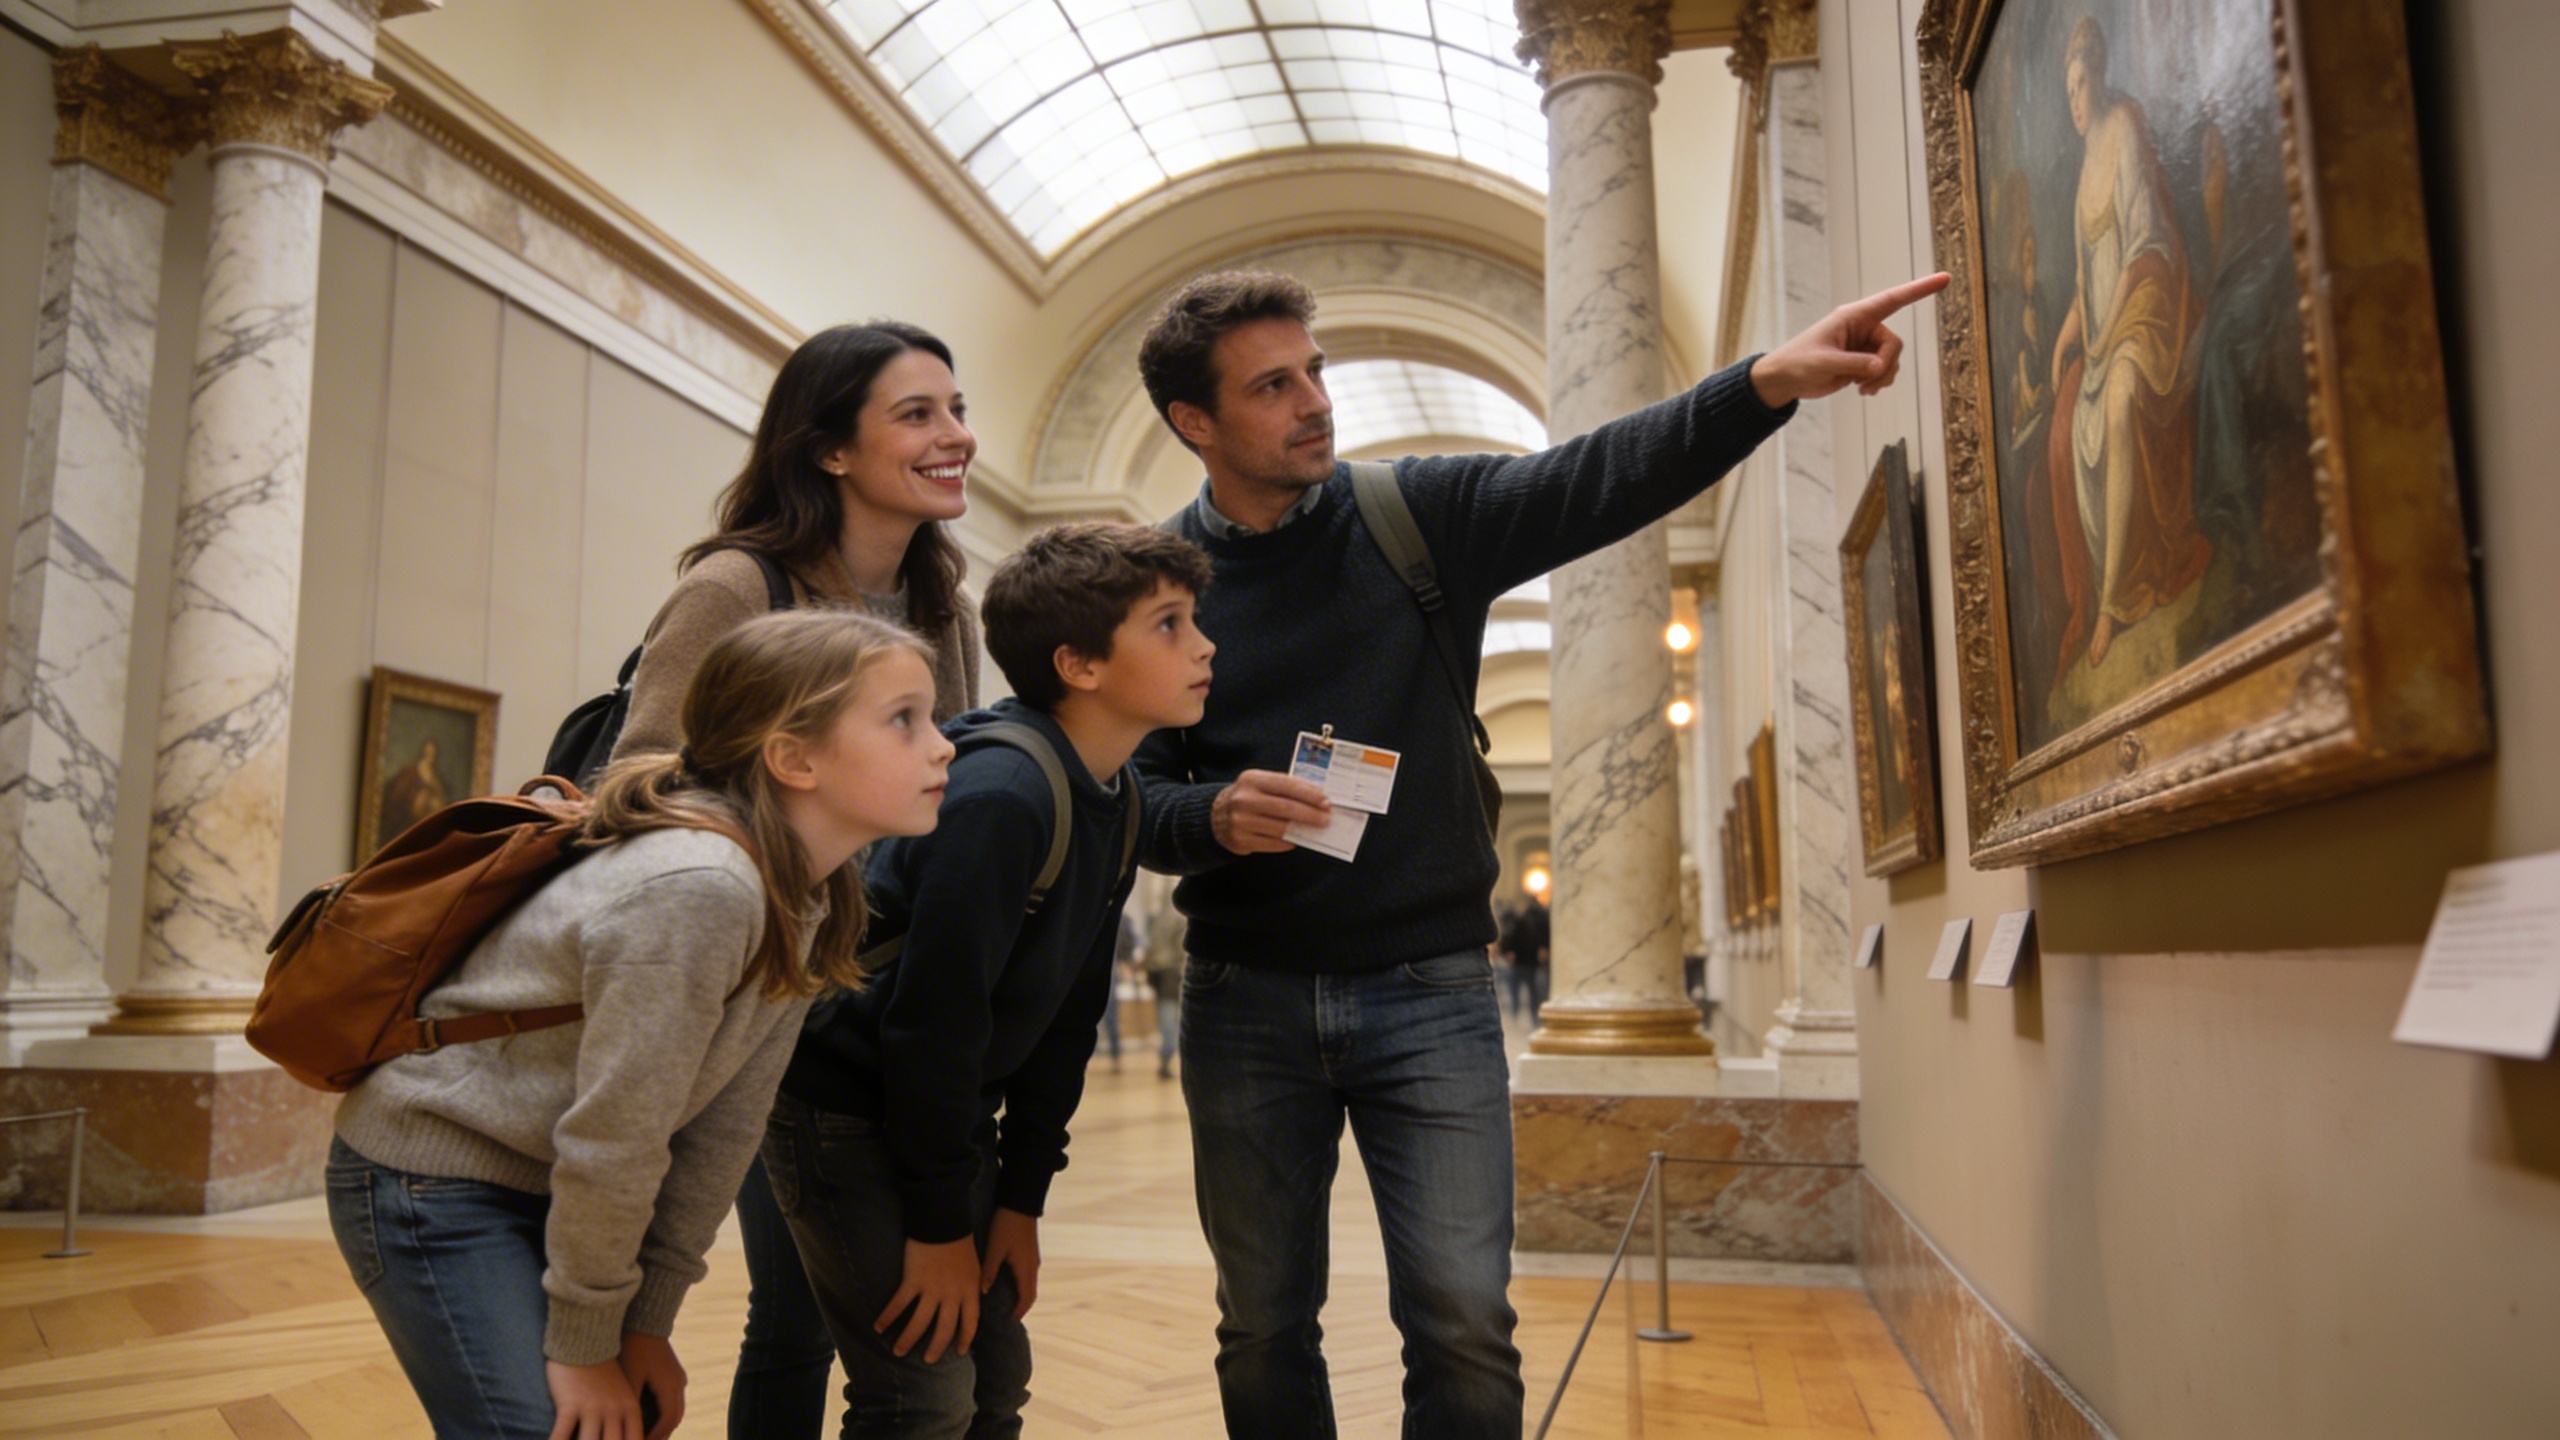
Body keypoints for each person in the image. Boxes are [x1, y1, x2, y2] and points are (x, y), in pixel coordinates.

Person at [1129, 267, 1944, 1437]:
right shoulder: (1159, 586)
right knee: (1261, 1320)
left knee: (1463, 1318)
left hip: (1432, 995)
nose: (1314, 400)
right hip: (1243, 999)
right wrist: (1204, 820)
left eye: (1315, 371)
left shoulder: (1413, 515)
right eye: (1273, 385)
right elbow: (1132, 794)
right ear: (1193, 423)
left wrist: (1768, 381)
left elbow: (1596, 476)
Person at [326, 609, 954, 1440]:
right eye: (904, 720)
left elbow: (724, 1128)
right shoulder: (698, 884)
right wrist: (587, 1343)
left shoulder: (812, 890)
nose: (944, 745)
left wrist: (646, 1320)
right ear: (792, 758)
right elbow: (617, 1137)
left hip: (542, 1180)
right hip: (432, 1180)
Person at [605, 319, 987, 1440]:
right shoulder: (737, 586)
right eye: (918, 415)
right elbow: (633, 782)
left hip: (868, 1002)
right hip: (755, 984)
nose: (955, 436)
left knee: (814, 1307)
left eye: (957, 411)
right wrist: (789, 852)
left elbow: (943, 799)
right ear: (829, 449)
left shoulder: (939, 609)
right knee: (792, 1312)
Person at [763, 522, 1216, 1438]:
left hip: (941, 1115)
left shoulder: (1118, 793)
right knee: (920, 1394)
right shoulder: (1003, 796)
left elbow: (1067, 1013)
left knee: (995, 1377)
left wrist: (1020, 1200)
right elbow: (933, 1022)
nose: (1205, 645)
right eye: (1169, 625)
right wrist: (939, 1228)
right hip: (844, 1110)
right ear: (1078, 664)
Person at [2048, 14, 2209, 672]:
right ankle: (2100, 589)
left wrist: (2111, 334)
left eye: (2082, 84)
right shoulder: (2082, 167)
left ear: (2100, 75)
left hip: (2150, 297)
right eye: (2068, 92)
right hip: (2105, 316)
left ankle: (2113, 602)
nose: (2076, 101)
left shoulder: (2126, 128)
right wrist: (2070, 342)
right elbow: (2087, 275)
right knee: (2067, 432)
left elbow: (2144, 243)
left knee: (2116, 401)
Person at [1140, 902, 1188, 1079]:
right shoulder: (1181, 917)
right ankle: (1167, 1056)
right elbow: (1182, 948)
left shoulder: (1159, 917)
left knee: (1165, 1014)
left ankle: (1165, 1058)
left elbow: (1149, 946)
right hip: (1170, 973)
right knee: (1170, 1016)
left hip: (1156, 971)